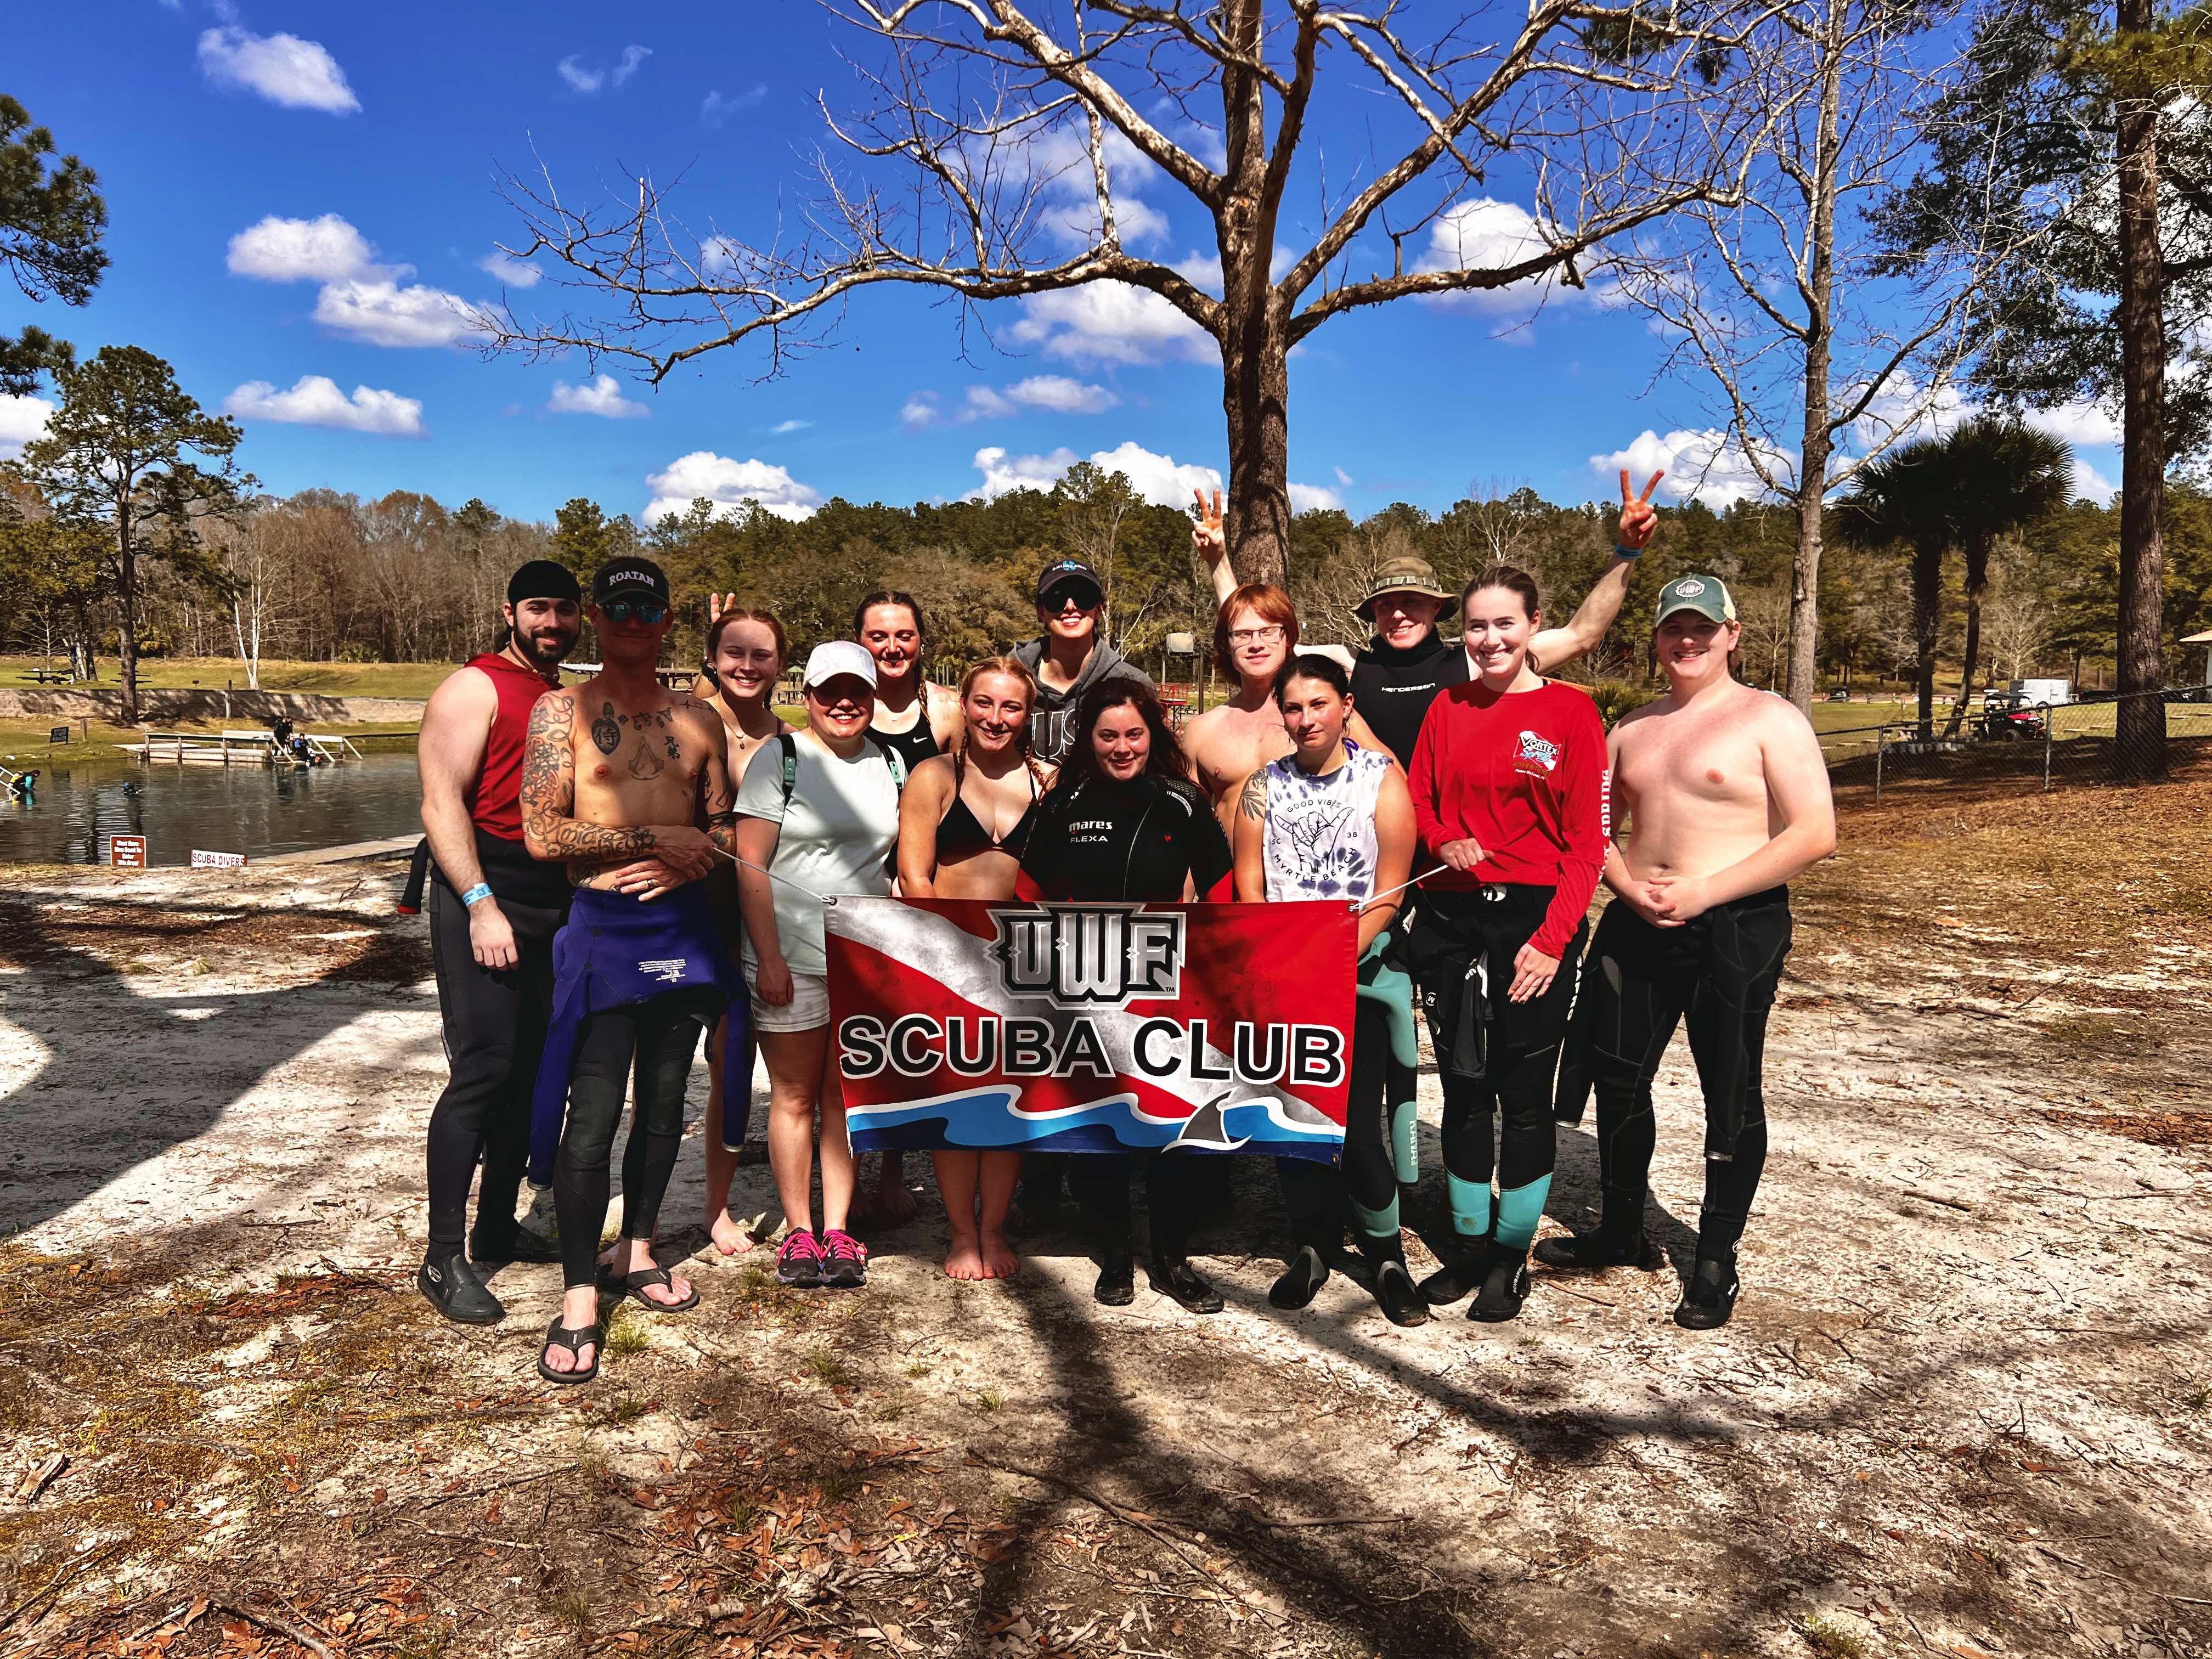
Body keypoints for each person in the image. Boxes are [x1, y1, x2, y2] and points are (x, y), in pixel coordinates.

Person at [1537, 574, 1836, 1330]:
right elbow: (1590, 830)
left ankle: (1715, 1257)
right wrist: (1627, 888)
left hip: (1733, 925)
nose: (1688, 640)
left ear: (1733, 634)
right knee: (1618, 1077)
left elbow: (1812, 833)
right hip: (1639, 920)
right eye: (1675, 627)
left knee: (1728, 1087)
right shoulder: (1631, 730)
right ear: (1659, 640)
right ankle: (1622, 1229)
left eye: (1704, 627)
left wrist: (1706, 893)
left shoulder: (1771, 719)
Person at [519, 557, 740, 1384]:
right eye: (619, 609)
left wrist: (696, 857)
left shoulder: (701, 719)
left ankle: (637, 1249)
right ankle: (579, 1292)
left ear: (667, 620)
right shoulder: (562, 711)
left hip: (682, 928)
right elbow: (541, 831)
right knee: (593, 1115)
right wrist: (652, 842)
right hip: (605, 928)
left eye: (648, 608)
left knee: (662, 1107)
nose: (634, 622)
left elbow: (719, 829)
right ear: (598, 619)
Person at [1404, 566, 1609, 1322]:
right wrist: (1443, 839)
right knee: (1462, 1090)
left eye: (1504, 625)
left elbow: (1588, 845)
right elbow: (1420, 799)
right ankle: (1466, 1247)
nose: (1489, 640)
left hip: (1534, 923)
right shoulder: (1445, 707)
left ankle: (1508, 1259)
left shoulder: (1572, 715)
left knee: (1523, 1100)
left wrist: (1553, 943)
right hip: (1453, 922)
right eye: (1477, 626)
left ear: (1533, 626)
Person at [1195, 473, 1662, 771]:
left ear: (1437, 608)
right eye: (1385, 605)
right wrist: (1218, 561)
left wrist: (1628, 552)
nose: (1398, 614)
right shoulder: (1350, 665)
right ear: (1372, 613)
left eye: (1412, 603)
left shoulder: (1478, 661)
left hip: (1454, 842)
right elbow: (1256, 635)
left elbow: (1583, 636)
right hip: (1374, 839)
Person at [1021, 679, 1235, 1313]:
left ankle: (1171, 1259)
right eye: (1108, 735)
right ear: (1088, 738)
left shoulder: (1183, 802)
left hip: (1168, 994)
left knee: (1172, 1128)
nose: (1122, 748)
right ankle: (1114, 1253)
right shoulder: (1061, 805)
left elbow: (1222, 897)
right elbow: (1027, 895)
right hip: (1083, 991)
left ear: (1153, 736)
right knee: (1101, 1132)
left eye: (1134, 734)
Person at [1229, 654, 1426, 1326]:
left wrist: (1339, 952)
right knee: (1294, 1121)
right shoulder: (1264, 787)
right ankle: (1311, 1248)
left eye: (1319, 704)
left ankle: (1386, 1255)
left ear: (1346, 705)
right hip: (1285, 983)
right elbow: (1251, 890)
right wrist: (1283, 959)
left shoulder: (1382, 781)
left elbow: (1390, 892)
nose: (1305, 718)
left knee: (1358, 1123)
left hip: (1358, 978)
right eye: (1293, 707)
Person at [413, 558, 584, 1325]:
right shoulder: (474, 686)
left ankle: (496, 1223)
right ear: (511, 611)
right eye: (539, 609)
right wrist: (481, 904)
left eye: (565, 611)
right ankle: (442, 1256)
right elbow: (440, 802)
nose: (552, 624)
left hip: (551, 899)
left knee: (529, 1073)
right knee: (482, 1071)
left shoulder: (562, 696)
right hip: (484, 889)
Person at [733, 640, 907, 1291]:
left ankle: (838, 1230)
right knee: (795, 1096)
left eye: (857, 692)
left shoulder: (890, 764)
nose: (844, 703)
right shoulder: (777, 761)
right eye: (830, 690)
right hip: (792, 958)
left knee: (844, 1097)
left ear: (872, 698)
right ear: (807, 697)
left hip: (861, 962)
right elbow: (751, 868)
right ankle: (798, 1230)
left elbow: (890, 867)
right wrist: (770, 958)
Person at [895, 656, 1054, 1280]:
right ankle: (962, 1232)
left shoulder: (1048, 780)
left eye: (1011, 706)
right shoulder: (935, 775)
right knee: (959, 1104)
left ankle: (994, 1227)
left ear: (1027, 715)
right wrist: (954, 959)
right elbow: (915, 876)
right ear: (964, 704)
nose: (997, 717)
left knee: (1009, 1106)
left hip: (1023, 966)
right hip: (949, 962)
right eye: (985, 703)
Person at [851, 590, 958, 1228]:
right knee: (858, 1040)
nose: (892, 647)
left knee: (906, 1038)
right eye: (878, 636)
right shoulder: (844, 705)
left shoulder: (943, 712)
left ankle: (893, 1168)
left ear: (922, 641)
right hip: (855, 888)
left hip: (920, 888)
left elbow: (974, 783)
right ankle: (852, 1174)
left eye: (904, 636)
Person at [692, 601, 791, 1254]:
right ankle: (696, 1209)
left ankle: (721, 1206)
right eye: (734, 652)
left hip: (758, 919)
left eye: (762, 654)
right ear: (712, 659)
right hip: (690, 918)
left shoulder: (788, 743)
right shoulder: (686, 722)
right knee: (683, 1064)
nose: (747, 665)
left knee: (740, 1063)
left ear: (782, 666)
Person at [1180, 565, 1385, 826]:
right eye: (1242, 634)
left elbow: (1393, 782)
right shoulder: (1202, 731)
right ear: (1227, 645)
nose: (1256, 644)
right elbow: (1186, 826)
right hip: (1230, 867)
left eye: (1268, 632)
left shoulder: (1328, 716)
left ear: (1288, 638)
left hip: (1313, 864)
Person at [1012, 556, 1155, 765]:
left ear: (1099, 609)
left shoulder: (1134, 684)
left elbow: (1156, 764)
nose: (1070, 607)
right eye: (1057, 598)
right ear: (1041, 612)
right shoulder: (1011, 679)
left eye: (1084, 597)